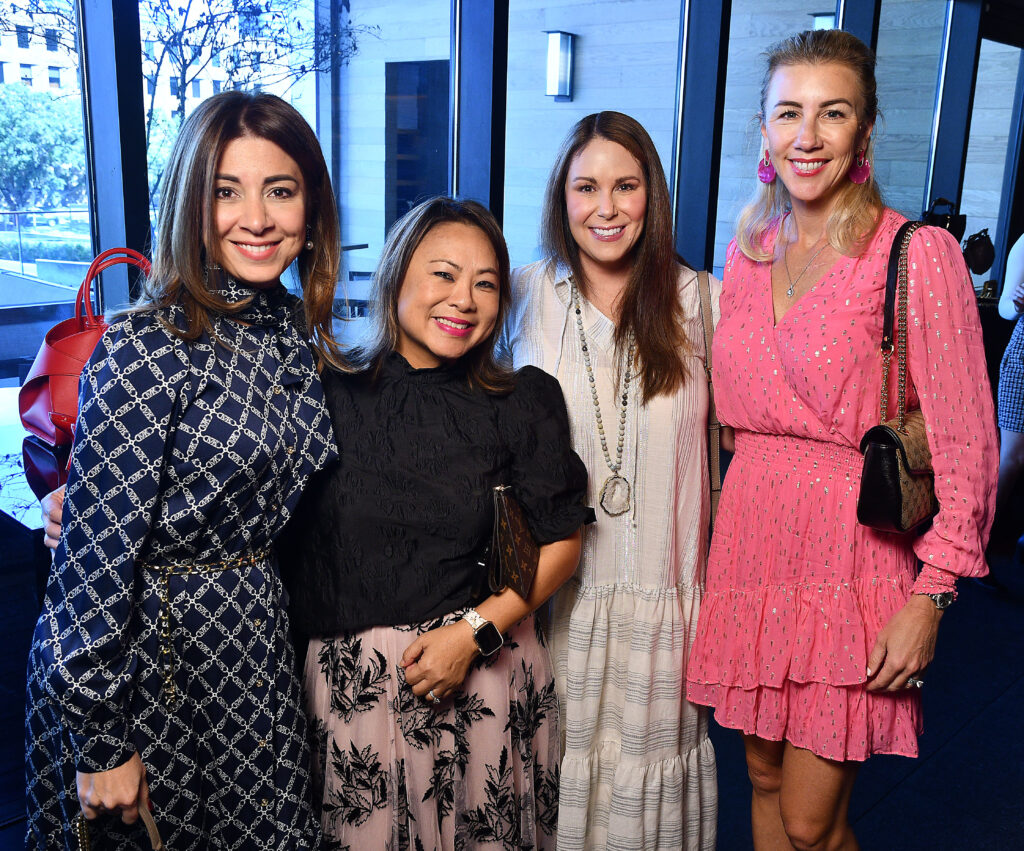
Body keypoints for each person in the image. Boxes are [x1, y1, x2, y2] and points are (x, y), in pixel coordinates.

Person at [685, 29, 997, 850]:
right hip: (753, 545)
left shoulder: (913, 254)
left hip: (850, 557)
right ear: (762, 129)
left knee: (810, 822)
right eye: (789, 113)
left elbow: (969, 448)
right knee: (759, 779)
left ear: (864, 131)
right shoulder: (747, 253)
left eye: (833, 113)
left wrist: (930, 597)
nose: (807, 135)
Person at [26, 91, 343, 850]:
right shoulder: (147, 344)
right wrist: (102, 740)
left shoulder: (293, 334)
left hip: (251, 648)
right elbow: (90, 575)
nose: (257, 218)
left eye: (281, 190)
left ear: (312, 207)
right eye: (225, 191)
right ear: (191, 204)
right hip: (151, 668)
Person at [277, 196, 594, 849]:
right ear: (396, 275)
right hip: (349, 701)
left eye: (485, 283)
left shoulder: (522, 400)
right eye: (444, 274)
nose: (465, 299)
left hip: (481, 682)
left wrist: (471, 636)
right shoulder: (322, 387)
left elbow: (561, 544)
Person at [501, 112, 719, 850]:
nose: (606, 207)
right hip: (552, 601)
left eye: (626, 186)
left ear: (651, 196)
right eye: (586, 186)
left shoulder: (703, 301)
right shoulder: (520, 296)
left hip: (667, 604)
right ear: (560, 197)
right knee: (547, 781)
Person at [995, 232, 1024, 551]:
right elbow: (1004, 306)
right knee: (1014, 457)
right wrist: (1016, 303)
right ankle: (975, 543)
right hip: (1023, 359)